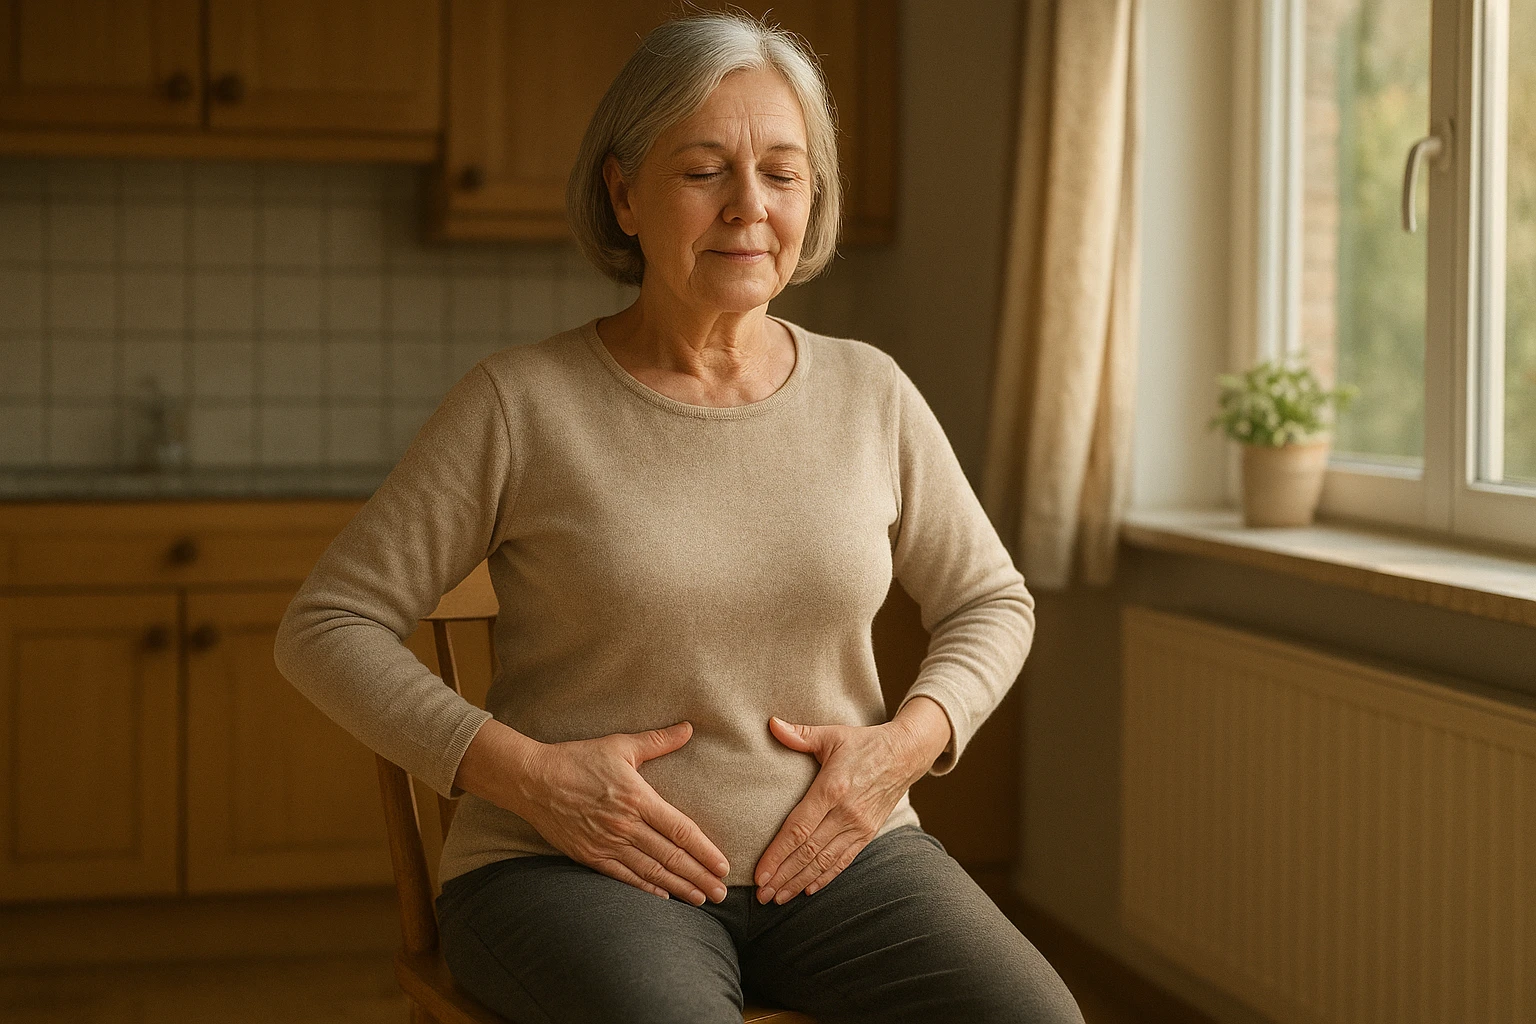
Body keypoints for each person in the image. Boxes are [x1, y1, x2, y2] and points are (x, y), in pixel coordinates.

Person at [273, 10, 1084, 1024]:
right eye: (705, 170)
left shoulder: (872, 392)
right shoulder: (520, 404)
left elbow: (992, 601)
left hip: (845, 860)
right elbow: (324, 627)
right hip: (570, 870)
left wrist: (904, 746)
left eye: (783, 174)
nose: (750, 206)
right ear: (624, 192)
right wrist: (530, 778)